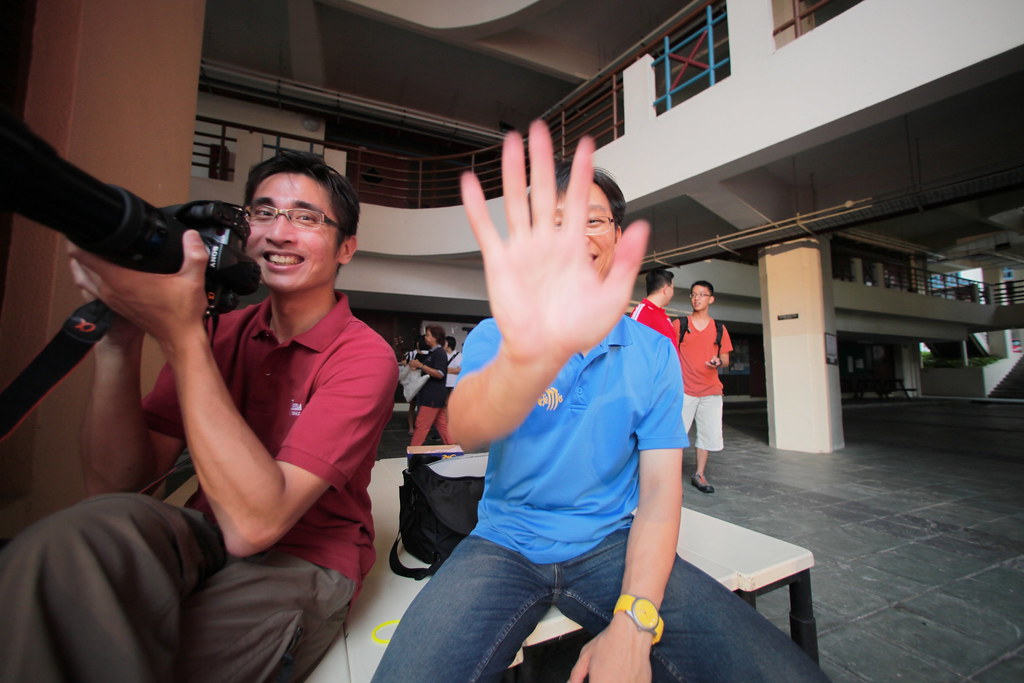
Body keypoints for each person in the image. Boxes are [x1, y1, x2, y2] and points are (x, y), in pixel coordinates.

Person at [372, 122, 826, 682]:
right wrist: (533, 353)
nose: (575, 238)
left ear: (617, 235)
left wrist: (636, 623)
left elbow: (660, 488)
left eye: (591, 220)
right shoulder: (501, 332)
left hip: (613, 544)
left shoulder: (654, 352)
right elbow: (468, 427)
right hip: (503, 544)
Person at [0, 150, 397, 682]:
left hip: (306, 553)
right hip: (205, 528)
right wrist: (119, 344)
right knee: (69, 536)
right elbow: (121, 488)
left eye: (306, 218)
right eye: (262, 213)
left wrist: (183, 336)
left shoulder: (363, 355)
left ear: (345, 246)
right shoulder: (220, 332)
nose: (279, 233)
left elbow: (256, 526)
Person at [679, 280, 733, 495]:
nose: (696, 298)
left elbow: (726, 358)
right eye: (693, 294)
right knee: (676, 435)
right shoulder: (681, 325)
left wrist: (719, 362)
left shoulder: (719, 328)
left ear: (711, 299)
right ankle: (670, 476)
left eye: (702, 294)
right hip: (684, 390)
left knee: (707, 435)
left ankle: (699, 474)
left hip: (711, 391)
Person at [408, 323, 451, 446]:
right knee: (442, 425)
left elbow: (440, 373)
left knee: (422, 425)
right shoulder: (433, 353)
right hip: (433, 395)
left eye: (428, 335)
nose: (425, 337)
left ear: (435, 337)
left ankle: (413, 453)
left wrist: (421, 366)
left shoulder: (439, 353)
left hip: (433, 396)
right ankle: (454, 450)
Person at [630, 267, 678, 345]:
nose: (673, 293)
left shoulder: (661, 314)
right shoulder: (642, 312)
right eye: (672, 288)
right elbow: (631, 344)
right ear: (666, 289)